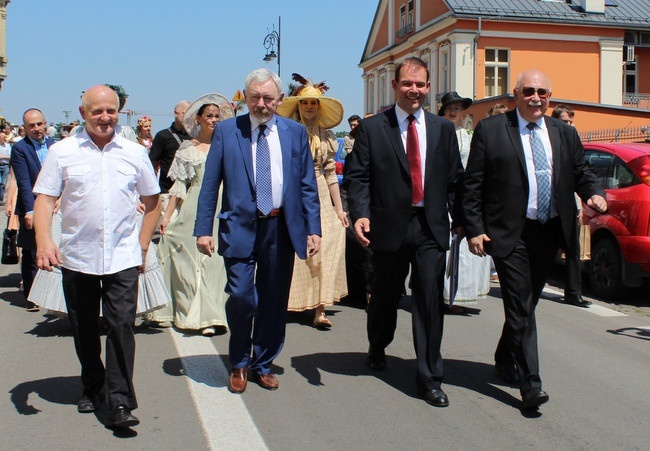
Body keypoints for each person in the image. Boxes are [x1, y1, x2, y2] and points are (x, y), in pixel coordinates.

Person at [462, 69, 607, 409]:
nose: (536, 98)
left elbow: (581, 172)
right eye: (529, 91)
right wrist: (474, 228)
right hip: (508, 231)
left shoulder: (563, 133)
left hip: (549, 230)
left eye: (542, 92)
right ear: (516, 94)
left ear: (550, 98)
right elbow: (473, 184)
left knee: (526, 303)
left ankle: (503, 354)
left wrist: (594, 194)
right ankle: (531, 385)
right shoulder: (493, 129)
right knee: (521, 305)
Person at [33, 85, 161, 428]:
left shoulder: (134, 153)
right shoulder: (62, 152)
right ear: (83, 113)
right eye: (97, 112)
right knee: (84, 327)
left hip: (122, 256)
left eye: (111, 111)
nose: (105, 118)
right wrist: (44, 242)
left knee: (121, 326)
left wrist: (143, 245)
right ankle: (93, 385)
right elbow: (45, 199)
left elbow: (152, 201)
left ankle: (119, 401)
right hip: (78, 256)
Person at [345, 57, 464, 408]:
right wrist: (361, 214)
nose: (414, 90)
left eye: (421, 85)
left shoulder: (442, 129)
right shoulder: (372, 129)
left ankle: (430, 377)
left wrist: (462, 219)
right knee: (384, 297)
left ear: (428, 88)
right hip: (389, 225)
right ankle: (377, 345)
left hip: (429, 226)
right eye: (408, 84)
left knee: (429, 300)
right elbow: (358, 177)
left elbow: (455, 179)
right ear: (395, 86)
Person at [194, 68, 321, 393]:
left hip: (280, 227)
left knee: (273, 300)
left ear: (279, 100)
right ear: (245, 98)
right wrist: (203, 228)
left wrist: (313, 228)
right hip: (238, 227)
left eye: (268, 98)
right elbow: (211, 184)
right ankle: (238, 361)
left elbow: (307, 184)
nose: (261, 103)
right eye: (255, 97)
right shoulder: (226, 131)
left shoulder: (294, 133)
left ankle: (262, 362)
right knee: (241, 296)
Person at [157, 94, 233, 336]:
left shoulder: (228, 145)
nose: (213, 120)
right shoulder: (187, 148)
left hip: (223, 205)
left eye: (216, 116)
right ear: (198, 119)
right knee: (191, 260)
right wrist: (167, 217)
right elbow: (178, 187)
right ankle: (194, 312)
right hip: (194, 204)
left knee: (215, 262)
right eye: (208, 115)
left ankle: (214, 314)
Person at [277, 75, 348, 328]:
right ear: (298, 105)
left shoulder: (327, 136)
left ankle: (320, 309)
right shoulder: (285, 133)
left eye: (314, 103)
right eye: (305, 102)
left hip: (319, 190)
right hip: (293, 191)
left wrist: (339, 209)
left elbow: (330, 173)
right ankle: (287, 301)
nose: (309, 106)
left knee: (327, 244)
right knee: (293, 247)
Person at [438, 91, 490, 310]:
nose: (453, 111)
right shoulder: (438, 132)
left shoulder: (468, 136)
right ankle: (446, 295)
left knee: (465, 248)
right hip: (444, 194)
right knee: (448, 247)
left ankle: (461, 294)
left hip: (466, 194)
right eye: (450, 108)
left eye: (457, 108)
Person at [10, 108, 56, 312]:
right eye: (32, 126)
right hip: (33, 204)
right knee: (31, 251)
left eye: (39, 124)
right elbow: (24, 181)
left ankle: (55, 293)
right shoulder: (20, 149)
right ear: (25, 128)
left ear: (45, 123)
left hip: (56, 205)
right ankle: (31, 295)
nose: (37, 129)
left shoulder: (56, 146)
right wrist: (29, 210)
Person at [551, 104, 589, 307]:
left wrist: (580, 204)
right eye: (565, 122)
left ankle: (573, 292)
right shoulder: (547, 139)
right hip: (546, 205)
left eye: (571, 122)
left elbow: (578, 173)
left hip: (568, 204)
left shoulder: (573, 140)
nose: (569, 126)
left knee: (572, 249)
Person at [149, 101, 192, 216]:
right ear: (175, 113)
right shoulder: (163, 136)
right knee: (168, 227)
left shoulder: (194, 136)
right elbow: (152, 161)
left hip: (189, 190)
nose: (186, 116)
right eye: (184, 113)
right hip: (167, 190)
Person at [0, 130, 11, 203]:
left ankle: (0, 199)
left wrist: (2, 156)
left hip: (5, 166)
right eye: (3, 137)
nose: (4, 138)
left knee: (3, 184)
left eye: (5, 137)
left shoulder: (8, 146)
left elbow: (11, 156)